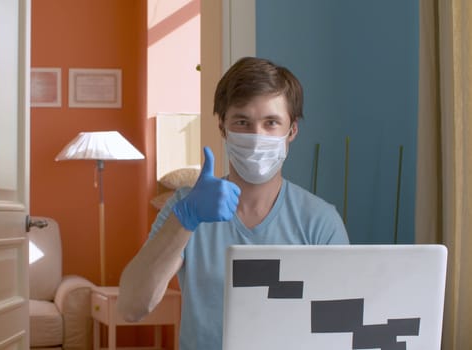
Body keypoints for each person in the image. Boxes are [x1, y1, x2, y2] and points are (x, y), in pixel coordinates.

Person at [117, 56, 350, 350]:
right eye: (242, 122)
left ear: (291, 132)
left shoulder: (320, 221)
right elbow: (131, 306)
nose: (256, 136)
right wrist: (185, 220)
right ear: (223, 128)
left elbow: (341, 325)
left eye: (271, 123)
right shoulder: (186, 208)